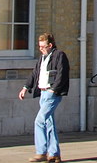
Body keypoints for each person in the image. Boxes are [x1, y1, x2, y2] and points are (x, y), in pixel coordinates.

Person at [18, 33, 70, 163]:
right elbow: (34, 74)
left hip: (52, 94)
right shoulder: (42, 58)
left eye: (43, 46)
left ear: (50, 45)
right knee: (49, 123)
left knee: (39, 121)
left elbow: (62, 74)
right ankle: (54, 154)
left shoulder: (59, 55)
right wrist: (25, 88)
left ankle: (41, 152)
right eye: (39, 46)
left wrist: (54, 89)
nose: (40, 49)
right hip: (43, 93)